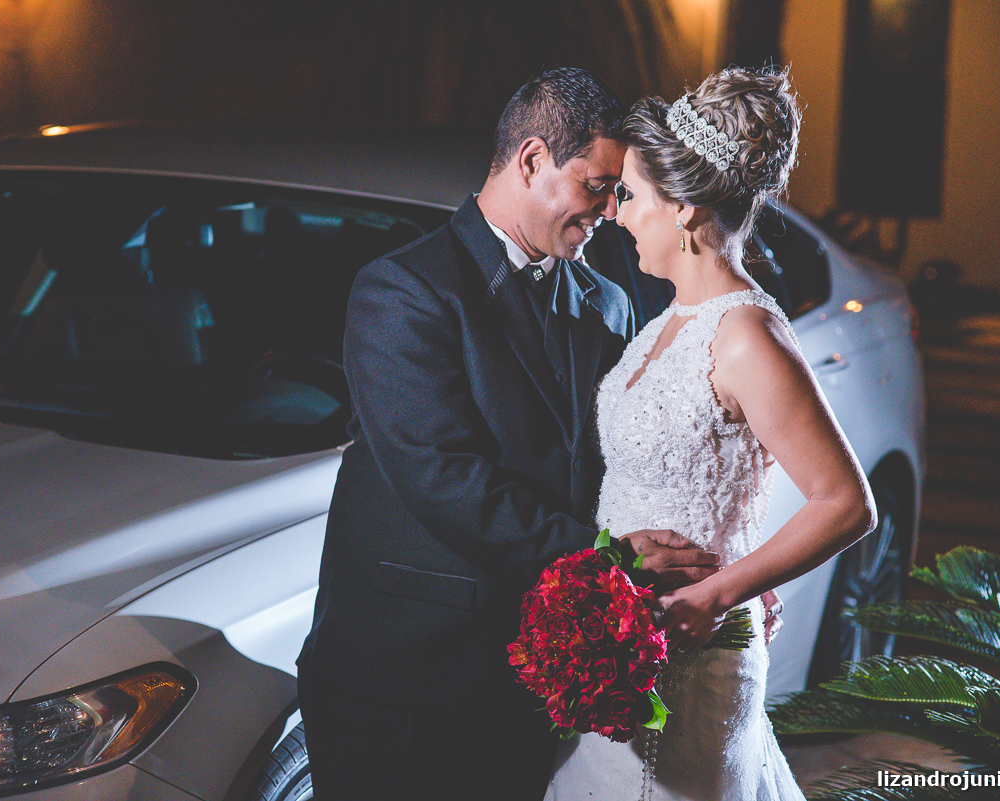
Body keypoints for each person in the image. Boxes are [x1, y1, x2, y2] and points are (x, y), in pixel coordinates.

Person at [296, 67, 726, 801]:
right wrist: (607, 556)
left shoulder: (608, 302)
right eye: (597, 184)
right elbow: (441, 477)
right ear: (532, 160)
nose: (608, 208)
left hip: (540, 682)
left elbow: (613, 460)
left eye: (618, 191)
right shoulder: (404, 289)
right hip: (406, 682)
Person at [545, 67, 876, 800]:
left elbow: (845, 502)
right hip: (625, 646)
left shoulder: (745, 335)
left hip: (691, 655)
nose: (619, 214)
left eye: (632, 197)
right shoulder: (664, 322)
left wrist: (724, 590)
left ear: (686, 209)